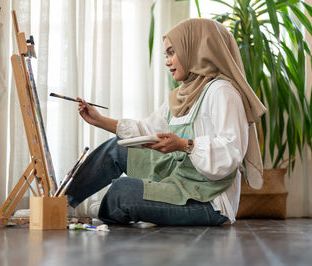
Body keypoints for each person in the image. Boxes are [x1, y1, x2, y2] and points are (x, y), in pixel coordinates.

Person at [66, 18, 266, 226]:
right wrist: (99, 120)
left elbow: (231, 152)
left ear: (195, 48)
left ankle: (105, 209)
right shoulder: (181, 94)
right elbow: (145, 129)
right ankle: (62, 203)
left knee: (122, 191)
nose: (167, 61)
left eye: (172, 52)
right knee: (116, 148)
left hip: (209, 202)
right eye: (166, 55)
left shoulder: (222, 92)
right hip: (180, 180)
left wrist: (184, 145)